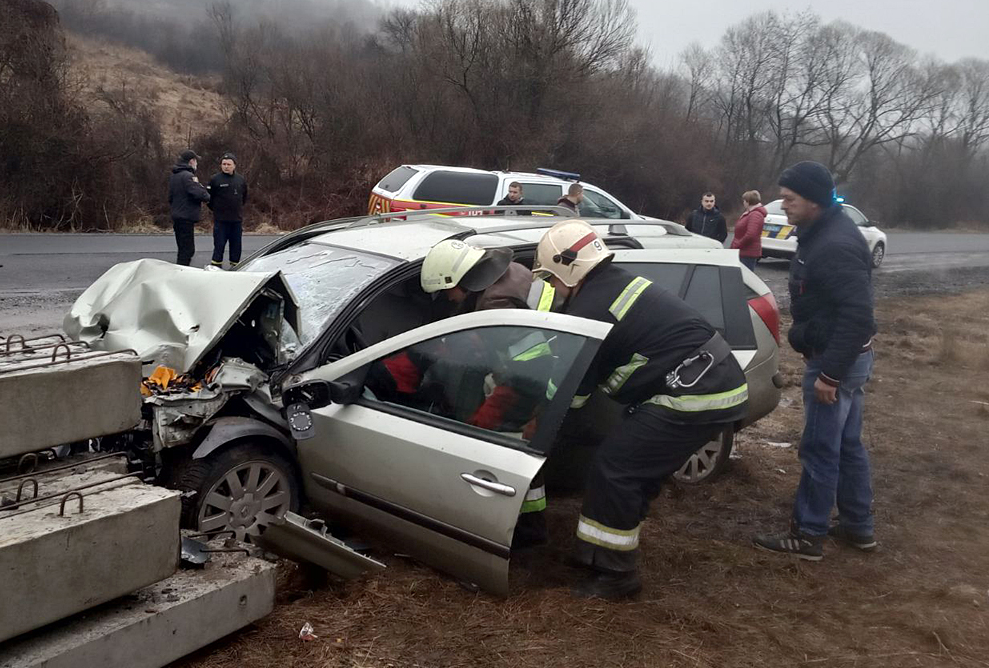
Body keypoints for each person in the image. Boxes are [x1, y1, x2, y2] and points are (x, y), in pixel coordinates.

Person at [534, 219, 748, 599]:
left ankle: (617, 577)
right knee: (630, 469)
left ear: (568, 268)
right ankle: (598, 555)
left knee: (616, 469)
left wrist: (537, 421)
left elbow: (574, 393)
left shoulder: (589, 309)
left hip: (693, 392)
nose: (550, 288)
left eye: (550, 279)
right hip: (708, 379)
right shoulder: (612, 283)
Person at [372, 240, 557, 545]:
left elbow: (520, 367)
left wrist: (482, 422)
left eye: (447, 290)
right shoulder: (510, 271)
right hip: (541, 368)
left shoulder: (494, 304)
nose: (448, 298)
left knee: (503, 449)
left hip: (532, 381)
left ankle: (522, 532)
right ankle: (528, 523)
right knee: (518, 452)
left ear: (460, 280)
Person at [753, 162, 877, 560]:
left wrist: (829, 375)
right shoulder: (823, 231)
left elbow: (858, 317)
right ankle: (858, 527)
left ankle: (808, 534)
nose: (783, 205)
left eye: (789, 199)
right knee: (847, 445)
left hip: (836, 362)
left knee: (821, 448)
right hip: (846, 360)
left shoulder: (835, 244)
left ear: (814, 201)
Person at [168, 149, 209, 266]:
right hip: (186, 217)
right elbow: (199, 193)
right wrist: (207, 195)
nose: (197, 164)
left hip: (177, 215)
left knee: (182, 248)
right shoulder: (188, 176)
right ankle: (182, 272)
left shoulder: (174, 176)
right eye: (196, 161)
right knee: (187, 250)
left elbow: (170, 197)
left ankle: (180, 268)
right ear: (191, 161)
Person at [208, 152, 248, 268]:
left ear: (234, 165)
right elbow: (209, 198)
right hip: (221, 220)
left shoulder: (240, 180)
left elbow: (244, 197)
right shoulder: (215, 179)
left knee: (236, 246)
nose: (226, 166)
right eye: (224, 164)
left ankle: (235, 267)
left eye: (229, 164)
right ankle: (216, 267)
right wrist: (216, 209)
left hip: (236, 220)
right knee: (219, 245)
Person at [731, 190, 767, 270]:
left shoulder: (755, 215)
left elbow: (751, 234)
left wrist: (738, 244)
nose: (743, 203)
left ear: (747, 202)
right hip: (743, 251)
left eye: (744, 200)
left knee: (745, 277)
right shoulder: (750, 213)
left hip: (747, 253)